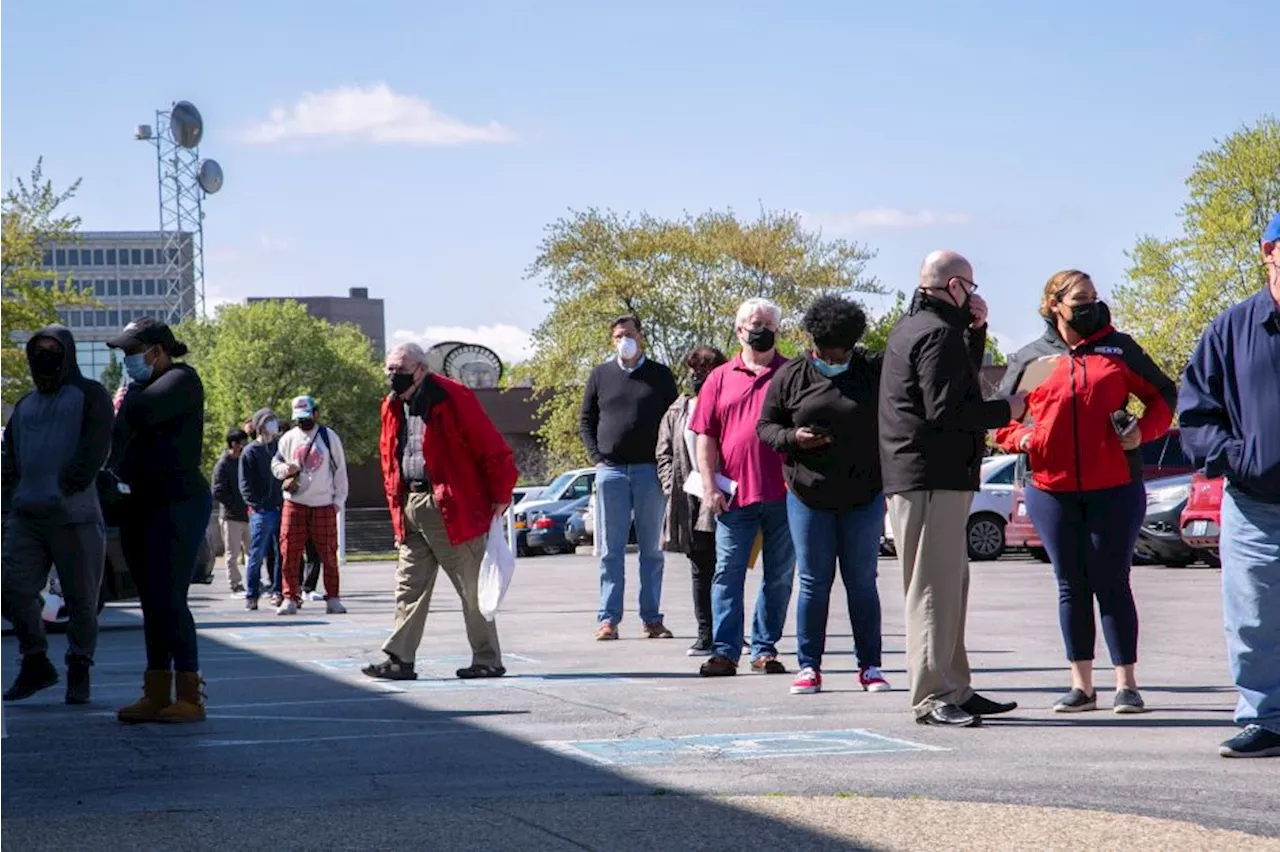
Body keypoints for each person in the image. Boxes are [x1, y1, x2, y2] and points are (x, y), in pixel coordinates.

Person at [995, 270, 1175, 715]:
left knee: (1113, 580)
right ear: (1054, 304)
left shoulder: (1119, 348)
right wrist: (1021, 439)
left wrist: (1144, 432)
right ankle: (1082, 687)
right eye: (1080, 299)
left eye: (1094, 297)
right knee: (1070, 584)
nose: (1090, 305)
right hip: (1050, 489)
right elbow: (999, 417)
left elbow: (1164, 395)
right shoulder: (1031, 358)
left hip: (1115, 485)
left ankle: (1126, 685)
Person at [879, 250, 1026, 727]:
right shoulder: (938, 334)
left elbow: (953, 385)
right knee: (932, 591)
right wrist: (1010, 410)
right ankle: (932, 695)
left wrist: (976, 332)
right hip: (931, 477)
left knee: (947, 588)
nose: (977, 296)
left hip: (924, 476)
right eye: (973, 287)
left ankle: (954, 686)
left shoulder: (918, 328)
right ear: (957, 286)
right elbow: (948, 409)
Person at [1178, 212, 1280, 759]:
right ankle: (1265, 719)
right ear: (1269, 250)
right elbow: (1195, 415)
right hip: (1257, 505)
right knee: (1255, 619)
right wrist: (1239, 458)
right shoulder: (1231, 330)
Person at [757, 296, 891, 696]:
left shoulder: (870, 372)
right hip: (807, 496)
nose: (833, 358)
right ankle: (809, 667)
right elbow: (765, 427)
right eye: (825, 351)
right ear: (812, 341)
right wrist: (792, 438)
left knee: (862, 582)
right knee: (814, 582)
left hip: (864, 496)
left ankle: (870, 666)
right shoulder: (790, 376)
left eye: (842, 352)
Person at [363, 342, 518, 681]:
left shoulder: (454, 397)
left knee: (471, 586)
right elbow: (391, 460)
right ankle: (400, 659)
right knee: (408, 586)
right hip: (411, 505)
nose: (393, 377)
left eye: (400, 371)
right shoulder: (390, 405)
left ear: (420, 370)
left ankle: (487, 658)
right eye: (389, 370)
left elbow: (491, 447)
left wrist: (500, 495)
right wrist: (397, 509)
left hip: (450, 506)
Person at [107, 318, 212, 724]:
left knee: (170, 598)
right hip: (142, 503)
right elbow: (117, 437)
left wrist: (126, 400)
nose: (129, 361)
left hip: (180, 502)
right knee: (151, 602)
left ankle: (190, 691)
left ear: (158, 350)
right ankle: (156, 690)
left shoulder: (183, 379)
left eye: (134, 353)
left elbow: (141, 412)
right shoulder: (138, 388)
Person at [0, 325, 113, 705]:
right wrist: (11, 496)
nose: (43, 358)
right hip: (26, 515)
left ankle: (78, 668)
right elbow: (10, 459)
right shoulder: (25, 405)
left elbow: (97, 446)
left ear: (67, 353)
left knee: (81, 601)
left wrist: (69, 483)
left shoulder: (90, 395)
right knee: (14, 587)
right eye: (37, 351)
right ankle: (35, 662)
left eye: (52, 350)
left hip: (75, 515)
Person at [691, 298, 796, 677]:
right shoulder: (719, 378)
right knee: (727, 573)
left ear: (778, 331)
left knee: (780, 575)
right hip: (733, 495)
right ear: (738, 330)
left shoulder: (793, 373)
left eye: (769, 322)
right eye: (754, 322)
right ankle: (724, 651)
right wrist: (708, 484)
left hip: (786, 495)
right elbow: (706, 437)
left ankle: (764, 649)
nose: (761, 328)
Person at [580, 316, 679, 641]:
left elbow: (673, 421)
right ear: (612, 341)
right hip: (610, 472)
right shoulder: (600, 375)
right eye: (619, 336)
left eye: (630, 334)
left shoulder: (661, 376)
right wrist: (597, 458)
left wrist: (667, 462)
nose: (625, 340)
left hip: (650, 471)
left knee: (651, 549)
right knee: (611, 550)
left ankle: (652, 618)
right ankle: (608, 619)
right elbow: (586, 419)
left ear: (641, 338)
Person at [657, 346, 728, 656]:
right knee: (701, 568)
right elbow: (664, 454)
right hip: (691, 499)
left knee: (728, 567)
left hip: (727, 495)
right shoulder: (678, 410)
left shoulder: (729, 404)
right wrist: (672, 485)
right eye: (695, 370)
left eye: (707, 370)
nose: (699, 377)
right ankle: (705, 634)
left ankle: (729, 631)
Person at [271, 395, 349, 616]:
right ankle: (289, 598)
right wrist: (286, 471)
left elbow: (340, 471)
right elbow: (275, 464)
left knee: (328, 554)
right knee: (289, 552)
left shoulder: (328, 437)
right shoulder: (287, 438)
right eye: (298, 418)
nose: (302, 422)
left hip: (323, 503)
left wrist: (338, 502)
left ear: (316, 413)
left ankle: (333, 597)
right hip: (294, 503)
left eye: (306, 417)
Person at [240, 409, 284, 610]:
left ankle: (278, 591)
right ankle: (252, 594)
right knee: (257, 554)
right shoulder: (250, 452)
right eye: (268, 421)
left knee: (281, 553)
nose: (273, 425)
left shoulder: (279, 447)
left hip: (281, 506)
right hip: (262, 512)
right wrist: (257, 505)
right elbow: (245, 485)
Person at [212, 428, 251, 596]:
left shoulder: (245, 461)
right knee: (232, 553)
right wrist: (234, 504)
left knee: (252, 551)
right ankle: (235, 582)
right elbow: (217, 491)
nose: (244, 446)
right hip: (231, 517)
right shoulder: (223, 464)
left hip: (249, 514)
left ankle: (252, 581)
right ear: (233, 444)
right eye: (242, 442)